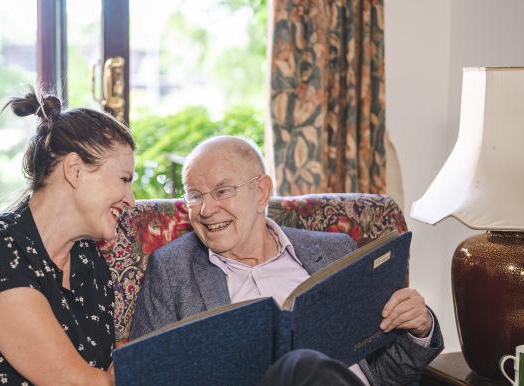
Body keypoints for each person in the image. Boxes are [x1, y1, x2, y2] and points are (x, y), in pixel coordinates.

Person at [130, 136, 444, 386]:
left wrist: (420, 328)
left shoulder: (335, 252)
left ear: (262, 192)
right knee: (299, 365)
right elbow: (142, 374)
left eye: (222, 191)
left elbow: (387, 374)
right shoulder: (172, 269)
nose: (205, 209)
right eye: (195, 195)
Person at [0, 90, 136, 386]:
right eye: (124, 180)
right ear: (75, 170)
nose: (131, 200)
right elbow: (81, 383)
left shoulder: (89, 263)